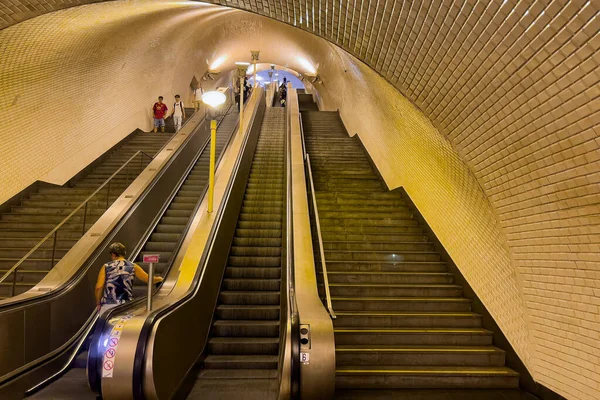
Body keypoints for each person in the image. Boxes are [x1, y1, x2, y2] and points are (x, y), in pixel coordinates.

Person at [94, 242, 163, 311]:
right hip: (126, 304)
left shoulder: (106, 267)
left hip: (108, 304)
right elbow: (148, 279)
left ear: (113, 254)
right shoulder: (133, 266)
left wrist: (98, 303)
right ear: (124, 253)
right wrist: (159, 279)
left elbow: (99, 287)